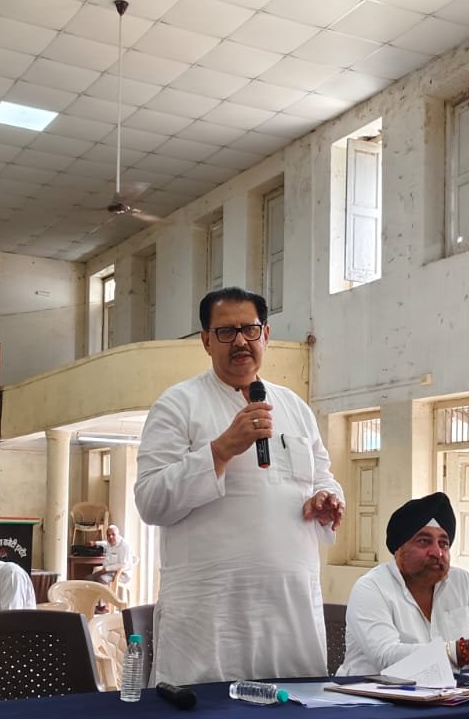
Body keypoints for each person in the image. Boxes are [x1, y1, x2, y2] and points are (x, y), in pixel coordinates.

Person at [136, 287, 343, 686]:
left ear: (266, 334)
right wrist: (220, 450)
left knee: (295, 714)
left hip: (289, 615)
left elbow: (322, 476)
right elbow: (151, 501)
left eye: (250, 329)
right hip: (210, 619)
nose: (241, 341)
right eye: (226, 332)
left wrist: (328, 499)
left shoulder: (295, 408)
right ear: (206, 341)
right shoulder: (178, 404)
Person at [338, 492, 469, 677]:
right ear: (399, 549)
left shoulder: (463, 583)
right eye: (424, 541)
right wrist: (462, 650)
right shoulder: (371, 587)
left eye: (443, 544)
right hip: (368, 692)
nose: (437, 552)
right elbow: (386, 657)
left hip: (448, 692)